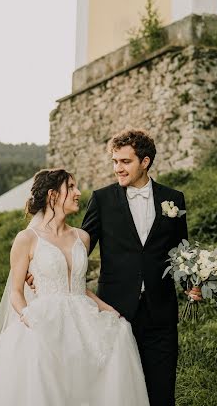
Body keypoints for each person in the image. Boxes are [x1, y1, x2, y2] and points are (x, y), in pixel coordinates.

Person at [0, 168, 150, 406]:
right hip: (43, 318)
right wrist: (28, 317)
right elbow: (16, 291)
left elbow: (80, 288)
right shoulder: (26, 239)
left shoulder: (82, 237)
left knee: (110, 348)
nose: (78, 192)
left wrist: (110, 311)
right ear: (53, 195)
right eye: (71, 187)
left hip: (83, 318)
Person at [82, 129, 201, 406]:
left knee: (161, 391)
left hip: (160, 311)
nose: (118, 169)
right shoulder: (102, 199)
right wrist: (47, 267)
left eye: (125, 162)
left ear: (145, 162)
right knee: (118, 393)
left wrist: (191, 284)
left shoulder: (174, 199)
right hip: (115, 312)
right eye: (115, 161)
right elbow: (81, 247)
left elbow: (180, 250)